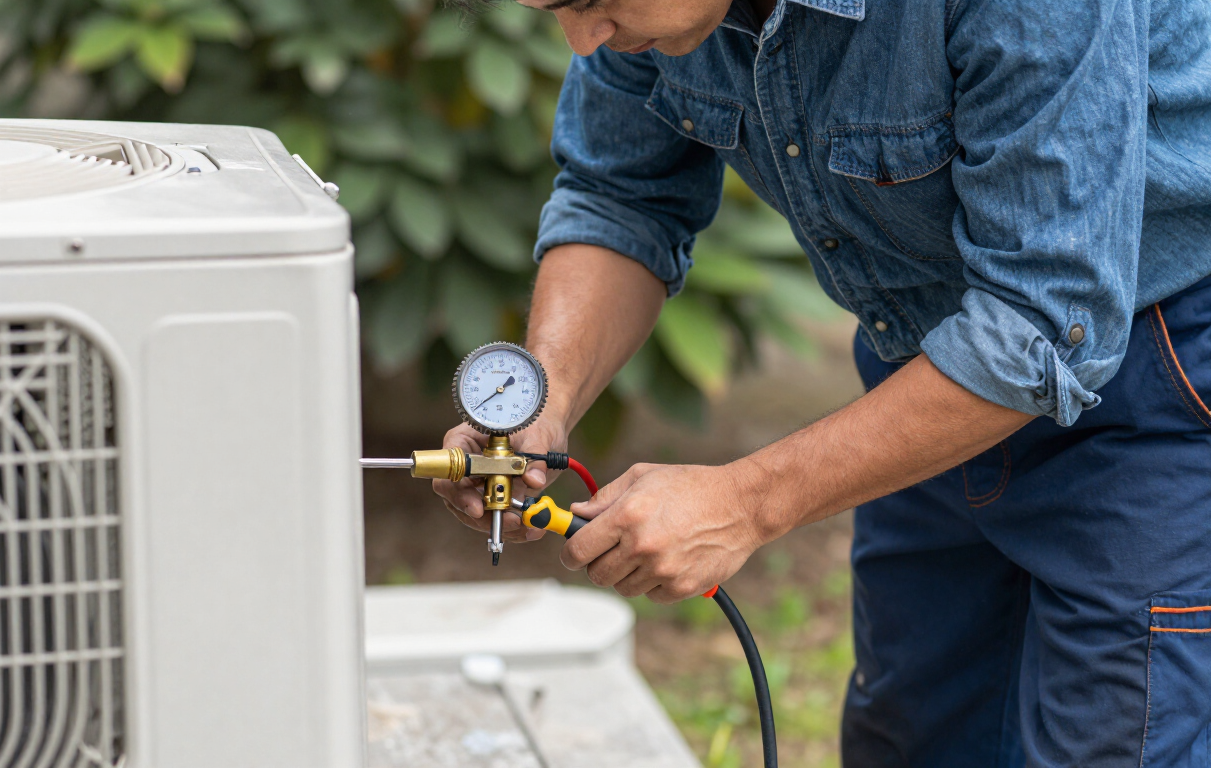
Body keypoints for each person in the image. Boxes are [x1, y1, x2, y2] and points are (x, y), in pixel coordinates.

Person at [433, 0, 1211, 764]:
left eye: (592, 0)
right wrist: (540, 397)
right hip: (926, 366)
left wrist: (742, 504)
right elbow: (619, 195)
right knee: (913, 734)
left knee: (1112, 737)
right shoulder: (643, 20)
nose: (581, 37)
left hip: (1156, 377)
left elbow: (1040, 323)